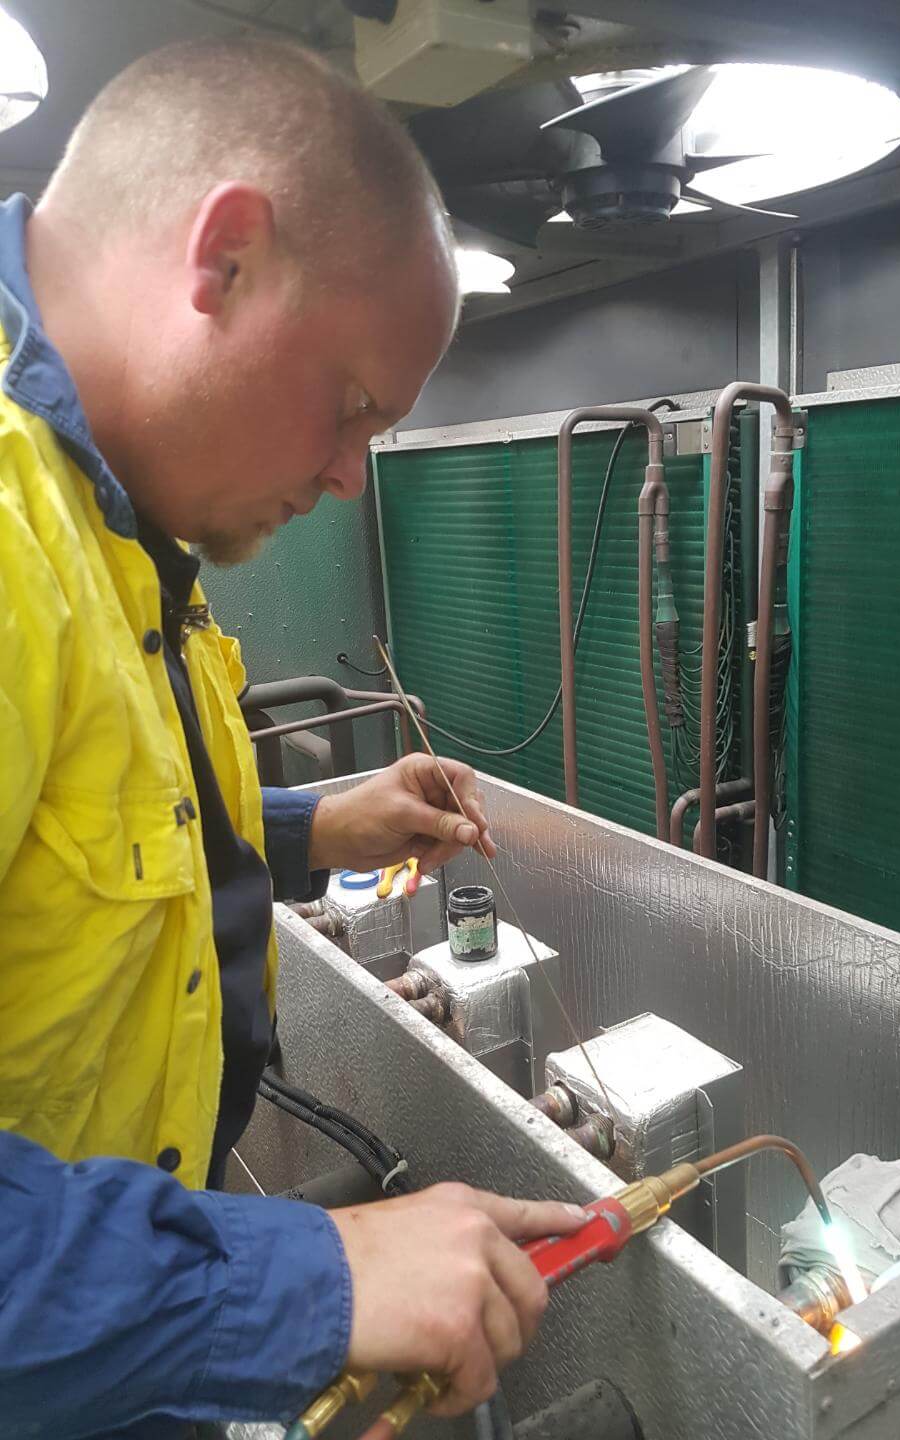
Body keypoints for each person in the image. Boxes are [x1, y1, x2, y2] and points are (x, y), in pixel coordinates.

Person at [0, 36, 584, 1439]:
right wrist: (302, 1279)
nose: (343, 474)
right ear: (229, 258)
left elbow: (92, 832)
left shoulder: (128, 536)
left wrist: (320, 825)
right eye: (352, 408)